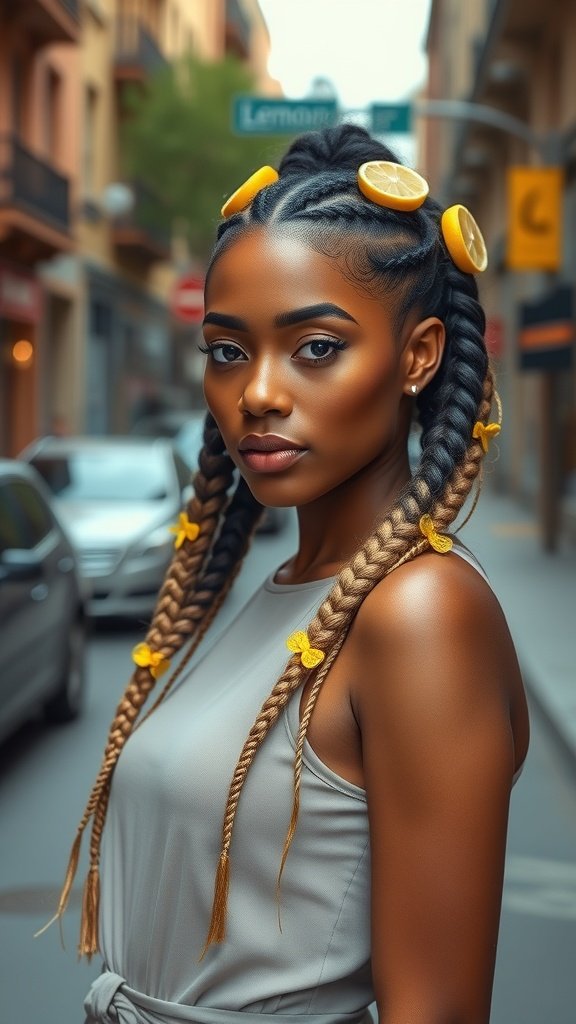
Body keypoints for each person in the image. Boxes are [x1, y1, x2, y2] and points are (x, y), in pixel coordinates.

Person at [45, 125, 529, 1024]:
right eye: (228, 351)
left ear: (417, 356)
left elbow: (440, 1010)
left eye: (315, 348)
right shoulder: (288, 590)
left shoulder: (420, 612)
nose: (257, 392)